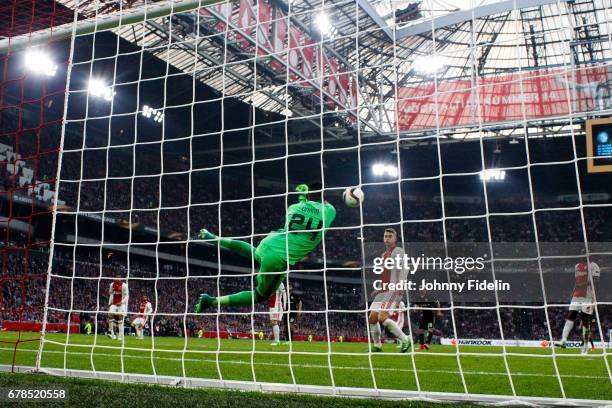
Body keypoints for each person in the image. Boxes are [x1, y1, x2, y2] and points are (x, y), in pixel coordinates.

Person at [194, 183, 336, 311]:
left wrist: (303, 197)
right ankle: (211, 301)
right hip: (279, 259)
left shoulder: (293, 208)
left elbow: (308, 206)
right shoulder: (329, 212)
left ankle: (215, 239)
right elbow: (324, 205)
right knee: (260, 296)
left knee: (252, 251)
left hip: (269, 242)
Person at [368, 228, 411, 353]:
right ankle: (377, 346)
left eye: (389, 236)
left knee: (382, 317)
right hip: (384, 291)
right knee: (372, 318)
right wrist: (380, 288)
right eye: (385, 236)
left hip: (393, 289)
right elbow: (386, 274)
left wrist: (400, 286)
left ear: (395, 238)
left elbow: (403, 270)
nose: (387, 238)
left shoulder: (398, 251)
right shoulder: (384, 254)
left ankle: (405, 339)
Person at [556, 262, 600, 352]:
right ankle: (563, 340)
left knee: (585, 322)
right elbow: (577, 282)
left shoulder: (594, 266)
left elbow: (596, 279)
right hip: (576, 296)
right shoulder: (577, 265)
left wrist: (584, 284)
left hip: (588, 297)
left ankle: (585, 347)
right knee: (570, 317)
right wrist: (572, 293)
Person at [107, 274, 128, 340]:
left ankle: (120, 335)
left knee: (120, 317)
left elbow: (127, 296)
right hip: (114, 303)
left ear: (120, 278)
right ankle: (112, 334)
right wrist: (109, 303)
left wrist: (121, 302)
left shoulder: (124, 285)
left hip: (121, 304)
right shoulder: (112, 285)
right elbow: (111, 294)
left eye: (119, 277)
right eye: (116, 277)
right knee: (110, 315)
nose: (118, 278)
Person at [269, 281, 287, 346]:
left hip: (277, 305)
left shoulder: (279, 283)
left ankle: (277, 341)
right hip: (271, 305)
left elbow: (284, 293)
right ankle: (276, 340)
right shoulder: (270, 283)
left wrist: (285, 304)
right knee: (273, 323)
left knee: (274, 322)